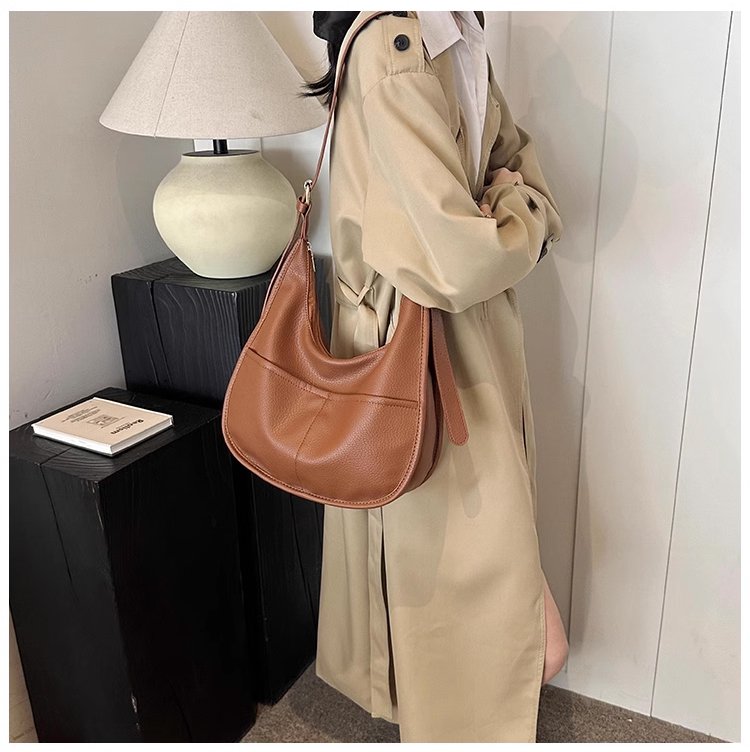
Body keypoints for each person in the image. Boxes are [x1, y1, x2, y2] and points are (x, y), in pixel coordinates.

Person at [300, 11, 567, 743]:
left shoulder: (458, 32)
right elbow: (457, 256)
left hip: (461, 341)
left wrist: (506, 208)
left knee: (465, 583)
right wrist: (513, 208)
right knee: (466, 587)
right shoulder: (396, 48)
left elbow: (517, 162)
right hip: (420, 357)